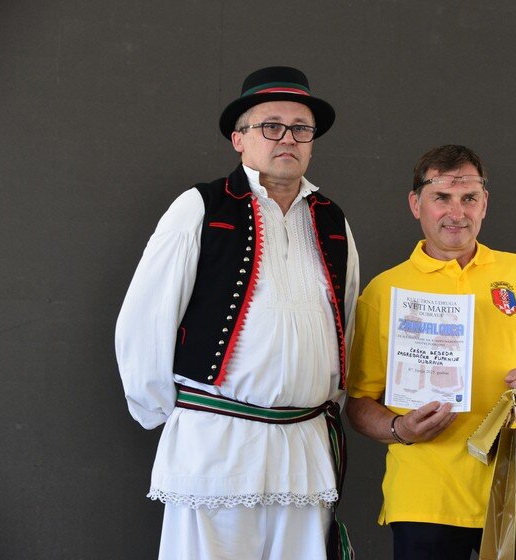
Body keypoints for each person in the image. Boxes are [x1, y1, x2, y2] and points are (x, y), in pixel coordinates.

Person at [115, 66, 358, 559]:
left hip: (303, 445)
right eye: (271, 125)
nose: (287, 138)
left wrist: (326, 397)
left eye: (301, 128)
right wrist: (170, 412)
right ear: (239, 139)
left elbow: (347, 321)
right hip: (216, 441)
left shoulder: (332, 220)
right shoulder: (201, 207)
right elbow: (145, 317)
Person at [346, 144, 516, 560]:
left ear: (484, 204)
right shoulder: (383, 292)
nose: (457, 212)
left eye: (469, 198)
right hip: (425, 499)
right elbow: (359, 402)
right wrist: (400, 429)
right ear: (416, 204)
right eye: (442, 197)